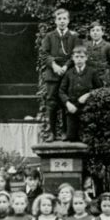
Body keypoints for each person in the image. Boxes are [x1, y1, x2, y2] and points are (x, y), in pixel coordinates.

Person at [40, 8, 81, 142]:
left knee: (65, 102)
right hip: (52, 74)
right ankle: (52, 132)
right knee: (51, 103)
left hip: (67, 73)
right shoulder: (49, 36)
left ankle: (64, 132)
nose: (62, 21)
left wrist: (65, 67)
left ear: (68, 20)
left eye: (64, 19)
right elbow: (44, 54)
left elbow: (76, 54)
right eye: (59, 19)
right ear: (55, 21)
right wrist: (54, 66)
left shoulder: (74, 37)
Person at [59, 46, 103, 142]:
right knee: (71, 137)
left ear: (86, 58)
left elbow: (100, 89)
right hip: (72, 109)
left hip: (87, 108)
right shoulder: (69, 73)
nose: (79, 59)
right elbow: (61, 91)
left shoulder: (92, 72)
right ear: (73, 58)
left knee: (86, 138)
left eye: (82, 57)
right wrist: (67, 103)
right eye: (77, 57)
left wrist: (88, 95)